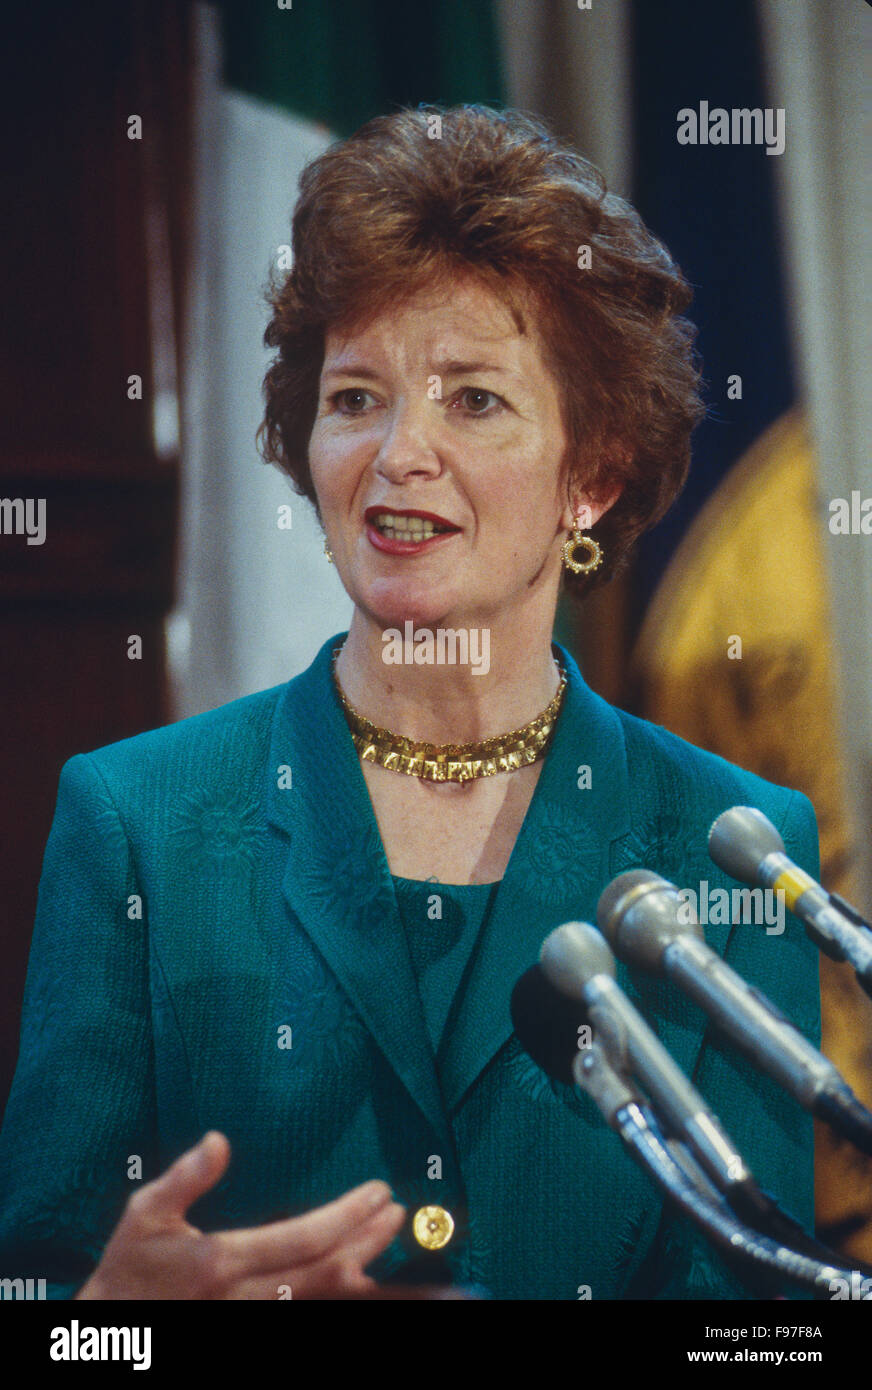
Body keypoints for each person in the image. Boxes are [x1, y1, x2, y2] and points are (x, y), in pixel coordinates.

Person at [0, 105, 820, 1300]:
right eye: (354, 398)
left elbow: (766, 1316)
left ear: (587, 475)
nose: (396, 454)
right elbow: (37, 1301)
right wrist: (109, 1323)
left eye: (472, 399)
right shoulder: (135, 819)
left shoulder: (730, 852)